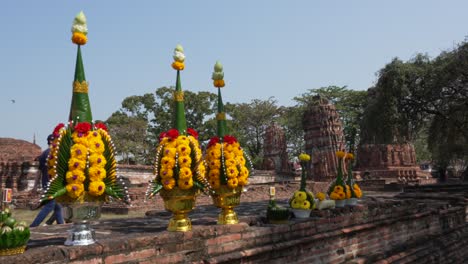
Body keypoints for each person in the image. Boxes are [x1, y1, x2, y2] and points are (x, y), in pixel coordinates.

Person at [30, 134, 64, 227]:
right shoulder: (57, 153)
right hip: (54, 185)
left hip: (46, 184)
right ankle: (33, 226)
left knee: (57, 207)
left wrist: (35, 186)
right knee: (50, 205)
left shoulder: (43, 155)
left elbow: (39, 172)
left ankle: (61, 225)